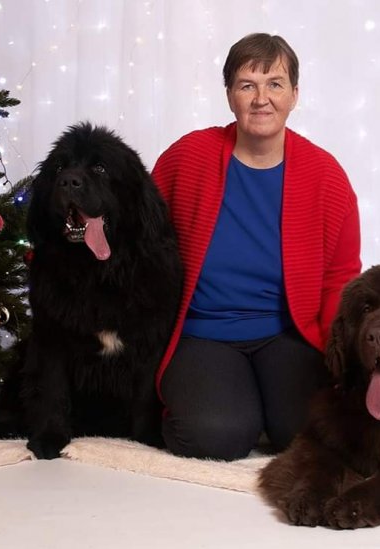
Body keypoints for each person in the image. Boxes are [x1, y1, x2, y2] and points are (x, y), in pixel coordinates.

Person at [151, 33, 361, 461]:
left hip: (285, 333)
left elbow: (341, 278)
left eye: (275, 84)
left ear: (294, 95)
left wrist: (340, 359)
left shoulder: (326, 176)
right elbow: (141, 238)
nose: (261, 98)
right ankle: (207, 405)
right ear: (229, 95)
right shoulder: (188, 157)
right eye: (247, 84)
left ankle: (261, 402)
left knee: (310, 433)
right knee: (218, 438)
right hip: (202, 333)